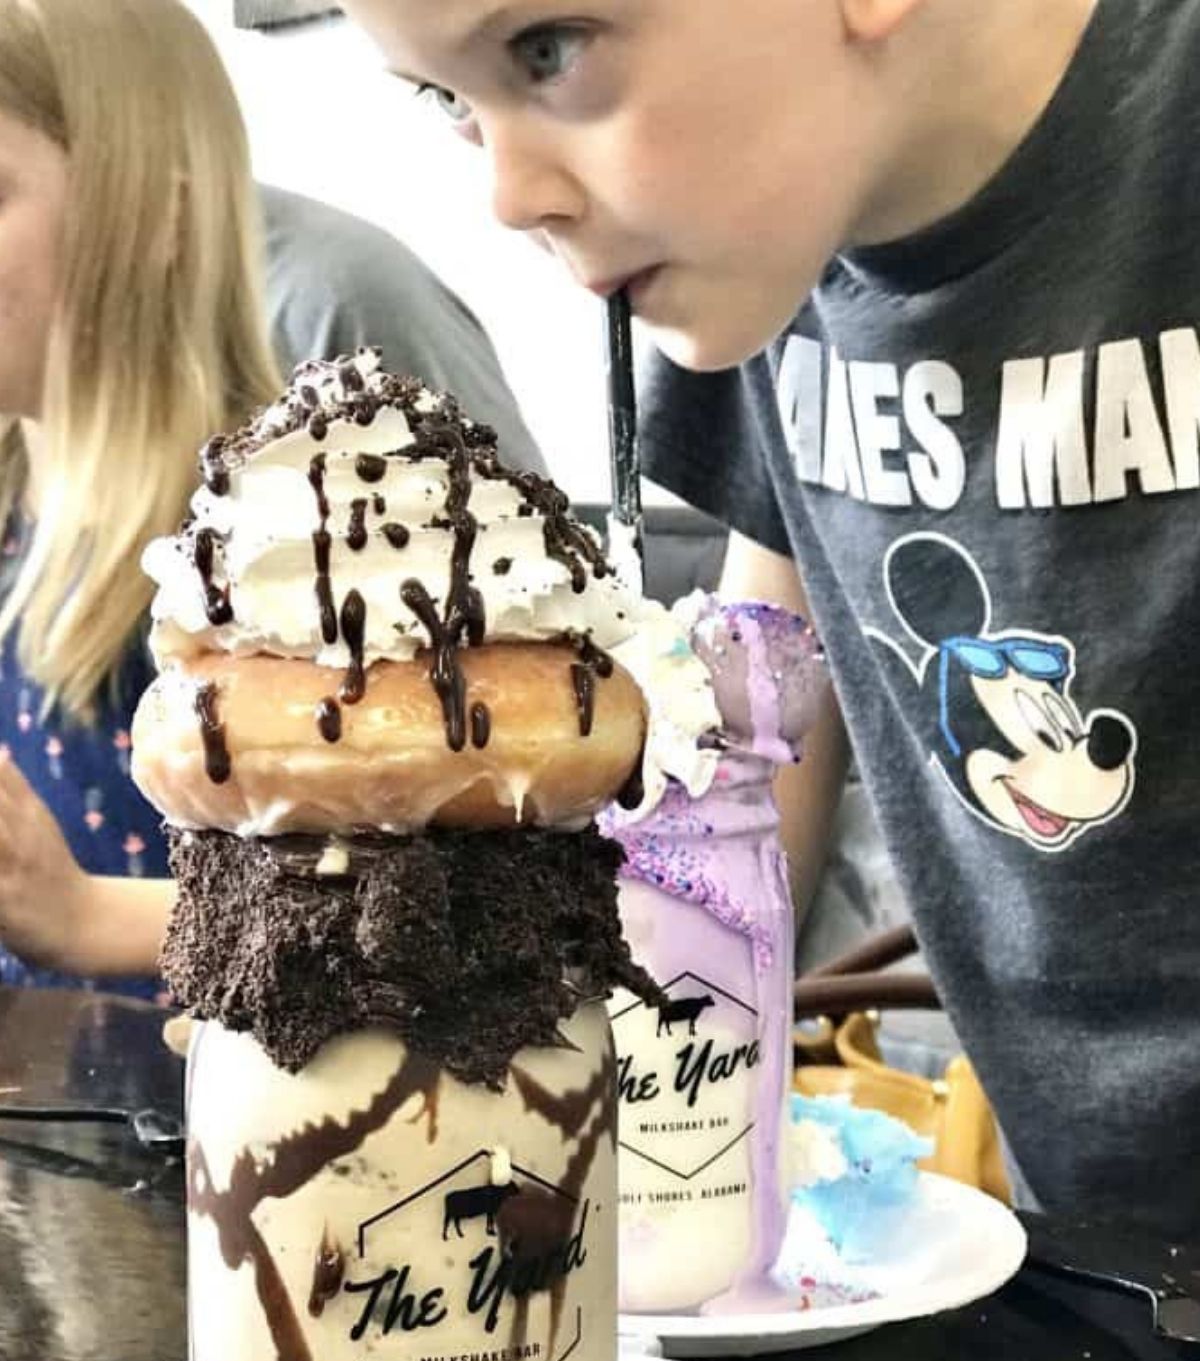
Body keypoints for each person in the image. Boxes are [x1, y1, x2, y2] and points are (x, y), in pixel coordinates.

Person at [338, 0, 1200, 1233]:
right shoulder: (778, 230)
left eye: (545, 49)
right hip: (1095, 1252)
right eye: (448, 103)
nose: (507, 193)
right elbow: (757, 730)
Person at [0, 0, 543, 1000]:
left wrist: (79, 915)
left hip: (238, 1123)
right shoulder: (15, 518)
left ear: (161, 217)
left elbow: (439, 910)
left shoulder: (292, 548)